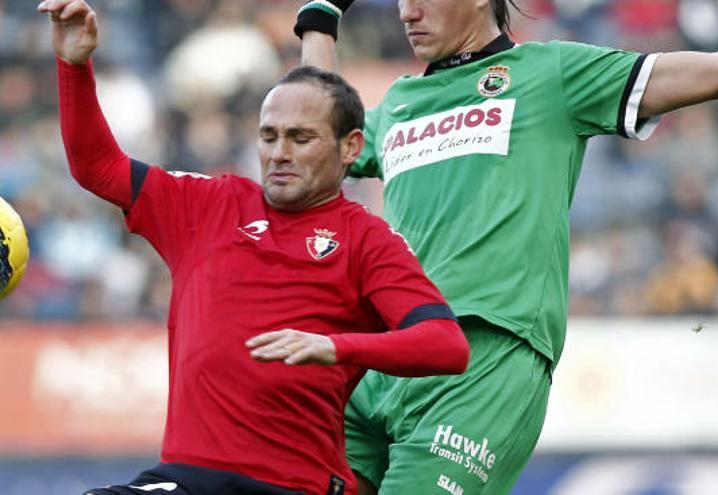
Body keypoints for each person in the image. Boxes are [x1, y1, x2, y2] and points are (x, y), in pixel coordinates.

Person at [293, 0, 718, 493]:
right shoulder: (397, 102)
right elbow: (314, 129)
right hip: (378, 358)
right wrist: (321, 17)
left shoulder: (552, 74)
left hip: (485, 360)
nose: (407, 11)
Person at [39, 1, 470, 494]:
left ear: (351, 147)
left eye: (301, 137)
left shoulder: (366, 239)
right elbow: (99, 168)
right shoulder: (207, 204)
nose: (279, 153)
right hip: (187, 479)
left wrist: (335, 346)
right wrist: (74, 66)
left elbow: (445, 344)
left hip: (291, 485)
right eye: (269, 136)